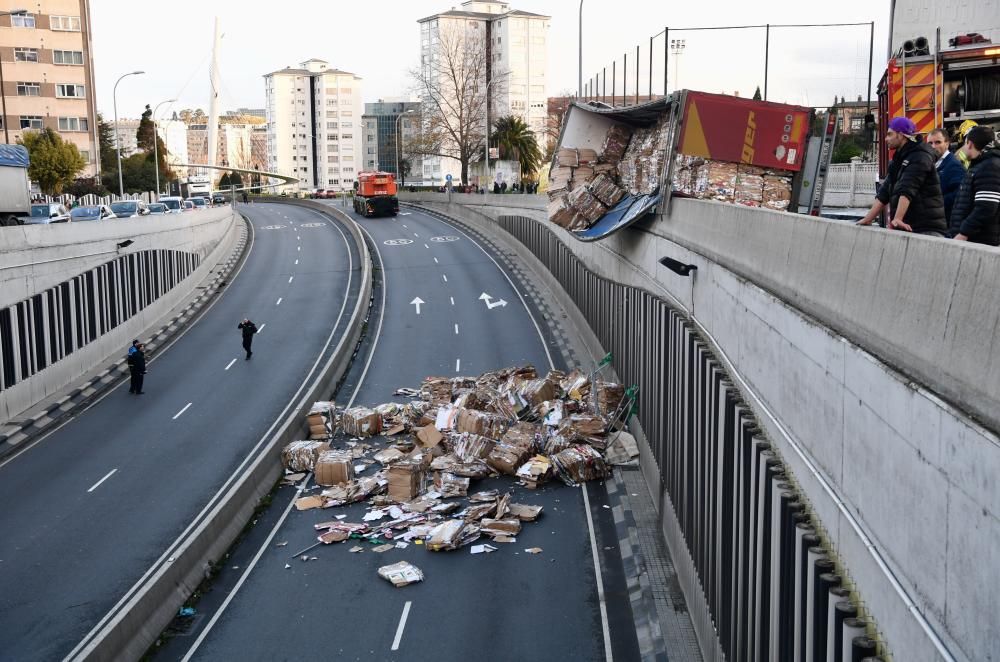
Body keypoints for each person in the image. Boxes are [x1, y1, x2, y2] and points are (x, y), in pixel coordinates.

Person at [856, 116, 947, 236]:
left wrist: (898, 218)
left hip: (926, 229)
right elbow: (884, 192)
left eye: (890, 134)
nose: (886, 139)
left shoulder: (920, 156)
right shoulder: (899, 158)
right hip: (909, 227)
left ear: (901, 135)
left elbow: (908, 189)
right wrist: (868, 218)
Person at [949, 125, 1000, 246]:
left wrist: (963, 233)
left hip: (978, 241)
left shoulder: (989, 166)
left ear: (970, 144)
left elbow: (986, 206)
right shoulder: (981, 164)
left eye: (965, 145)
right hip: (974, 240)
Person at [927, 127, 966, 224]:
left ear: (947, 144)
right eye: (930, 143)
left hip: (947, 222)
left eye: (938, 142)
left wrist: (933, 204)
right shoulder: (932, 163)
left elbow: (958, 195)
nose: (933, 146)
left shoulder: (953, 166)